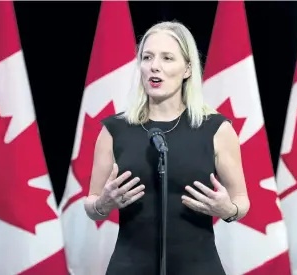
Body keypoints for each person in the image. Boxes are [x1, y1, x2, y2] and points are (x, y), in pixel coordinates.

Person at [84, 21, 250, 275]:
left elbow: (241, 200)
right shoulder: (114, 130)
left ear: (187, 70)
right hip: (130, 266)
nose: (154, 66)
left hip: (198, 266)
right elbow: (92, 204)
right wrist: (103, 204)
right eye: (147, 57)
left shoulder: (217, 130)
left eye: (167, 58)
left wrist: (228, 210)